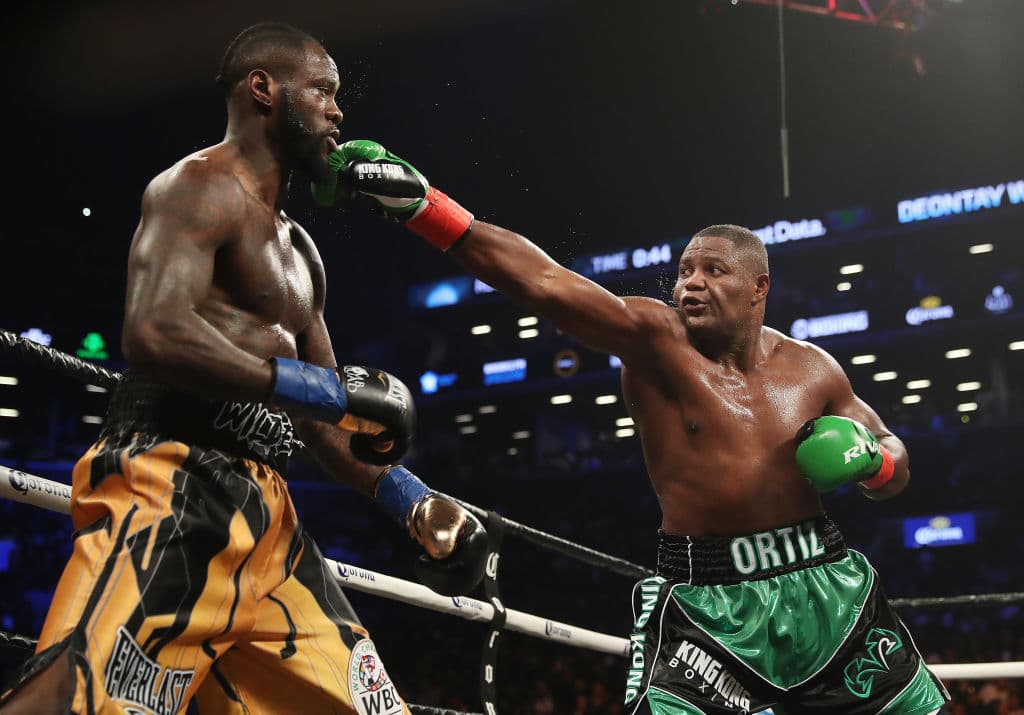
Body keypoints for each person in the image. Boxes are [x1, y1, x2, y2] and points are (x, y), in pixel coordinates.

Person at [316, 140, 952, 714]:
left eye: (712, 271)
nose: (690, 284)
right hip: (707, 605)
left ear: (759, 287)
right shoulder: (655, 341)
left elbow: (892, 459)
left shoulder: (813, 369)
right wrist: (426, 207)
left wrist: (876, 461)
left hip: (828, 588)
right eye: (685, 271)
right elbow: (543, 282)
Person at [0, 24, 487, 715]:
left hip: (271, 523)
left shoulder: (302, 250)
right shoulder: (196, 187)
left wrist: (411, 499)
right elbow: (153, 330)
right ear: (264, 89)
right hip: (172, 482)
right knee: (73, 702)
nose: (338, 112)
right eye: (322, 91)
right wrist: (315, 388)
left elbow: (323, 421)